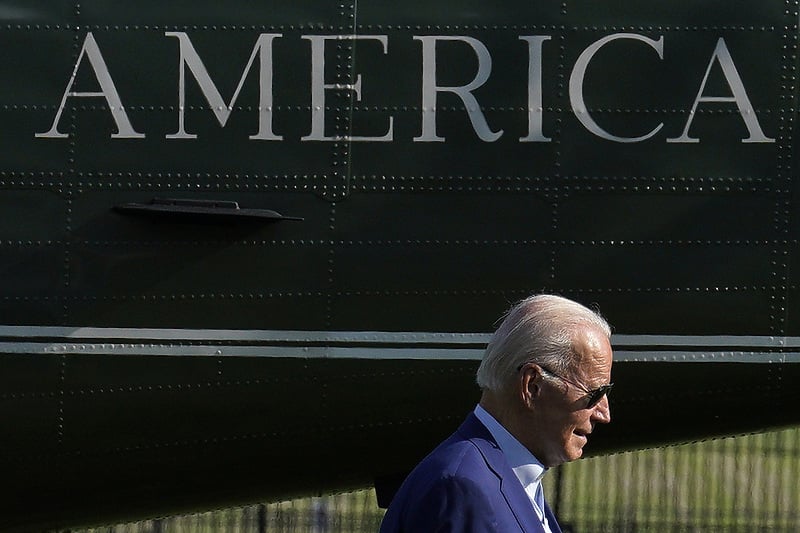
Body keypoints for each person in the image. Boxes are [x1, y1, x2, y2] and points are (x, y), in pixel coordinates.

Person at [379, 294, 613, 532]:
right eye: (594, 393)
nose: (604, 414)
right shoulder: (464, 489)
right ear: (532, 386)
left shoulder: (512, 480)